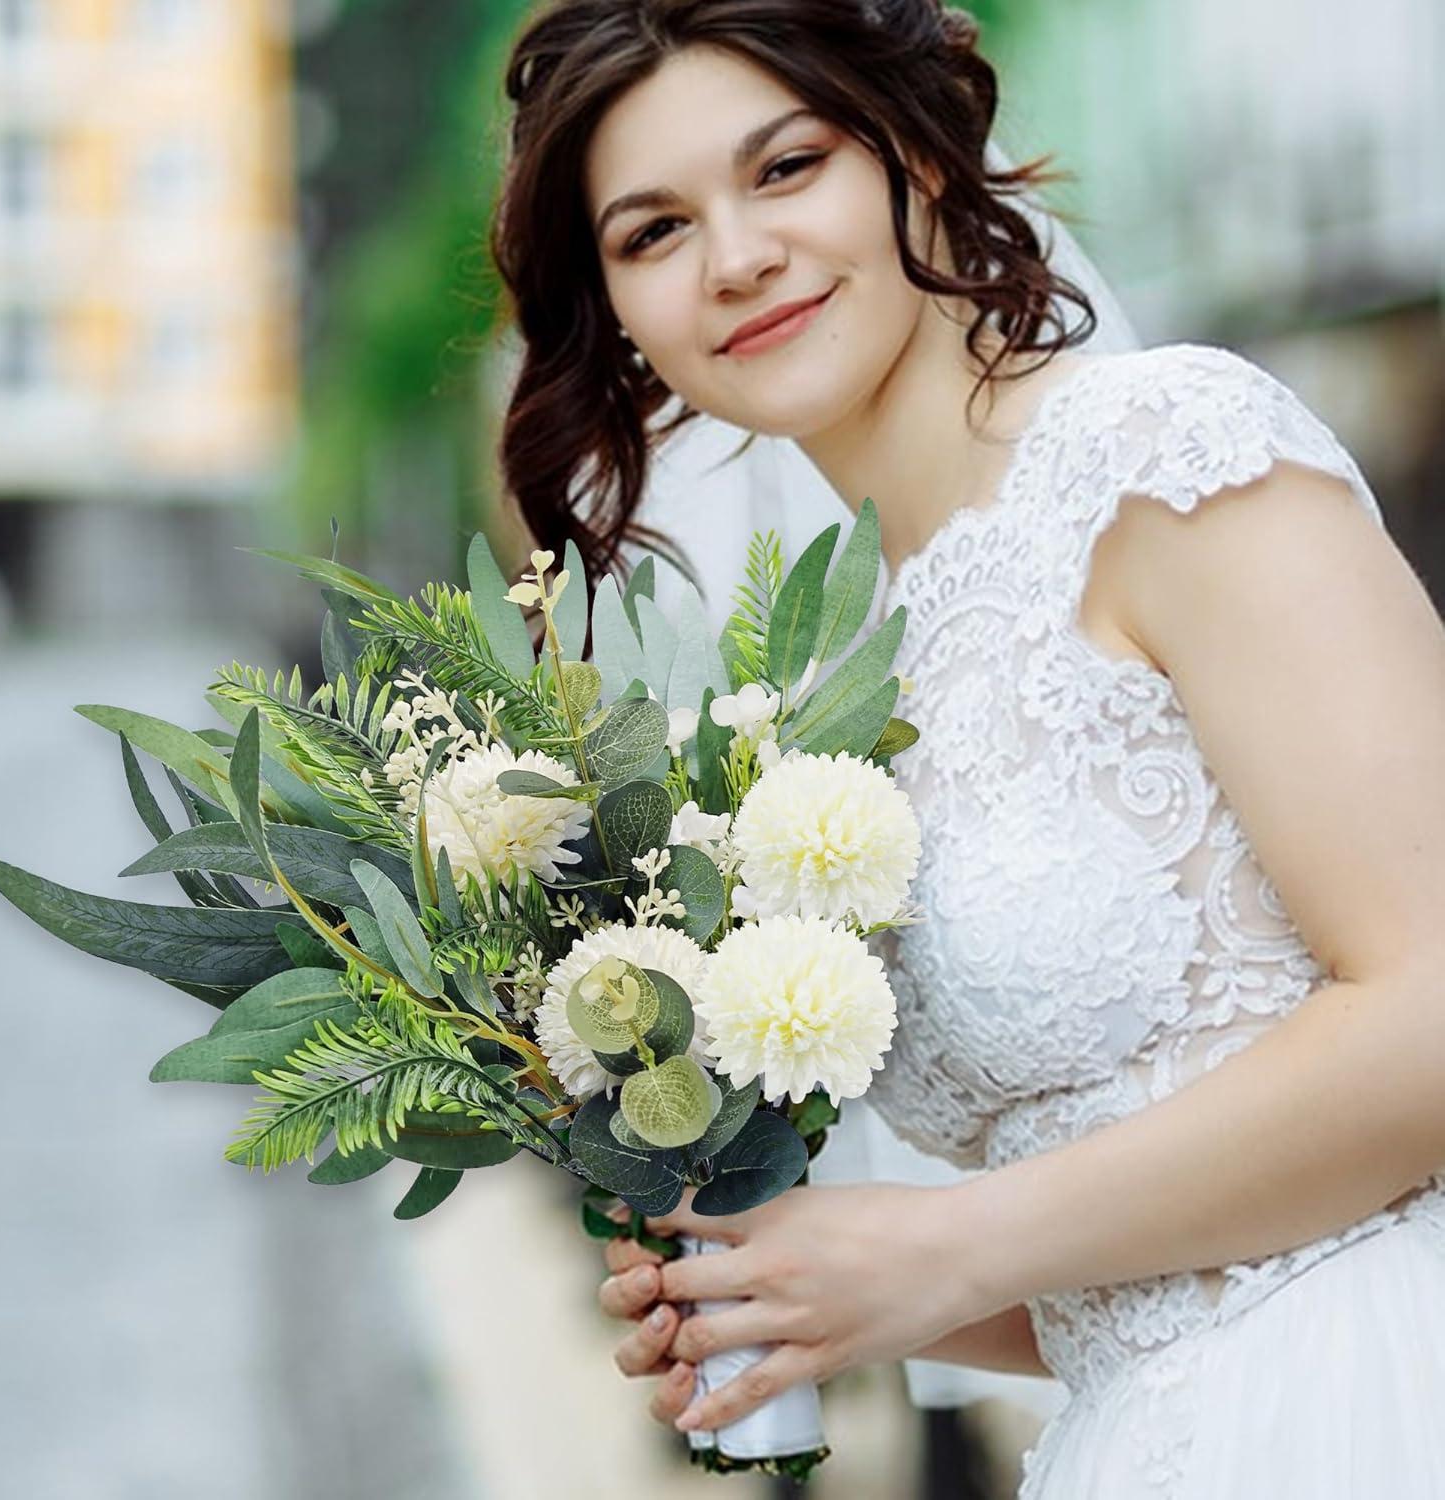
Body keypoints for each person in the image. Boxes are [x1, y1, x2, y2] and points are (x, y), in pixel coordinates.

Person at [488, 2, 1445, 1493]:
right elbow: (1124, 1277)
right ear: (612, 311)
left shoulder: (1167, 461)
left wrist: (950, 1238)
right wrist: (815, 1294)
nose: (736, 256)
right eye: (654, 231)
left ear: (918, 159)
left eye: (788, 167)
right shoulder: (817, 690)